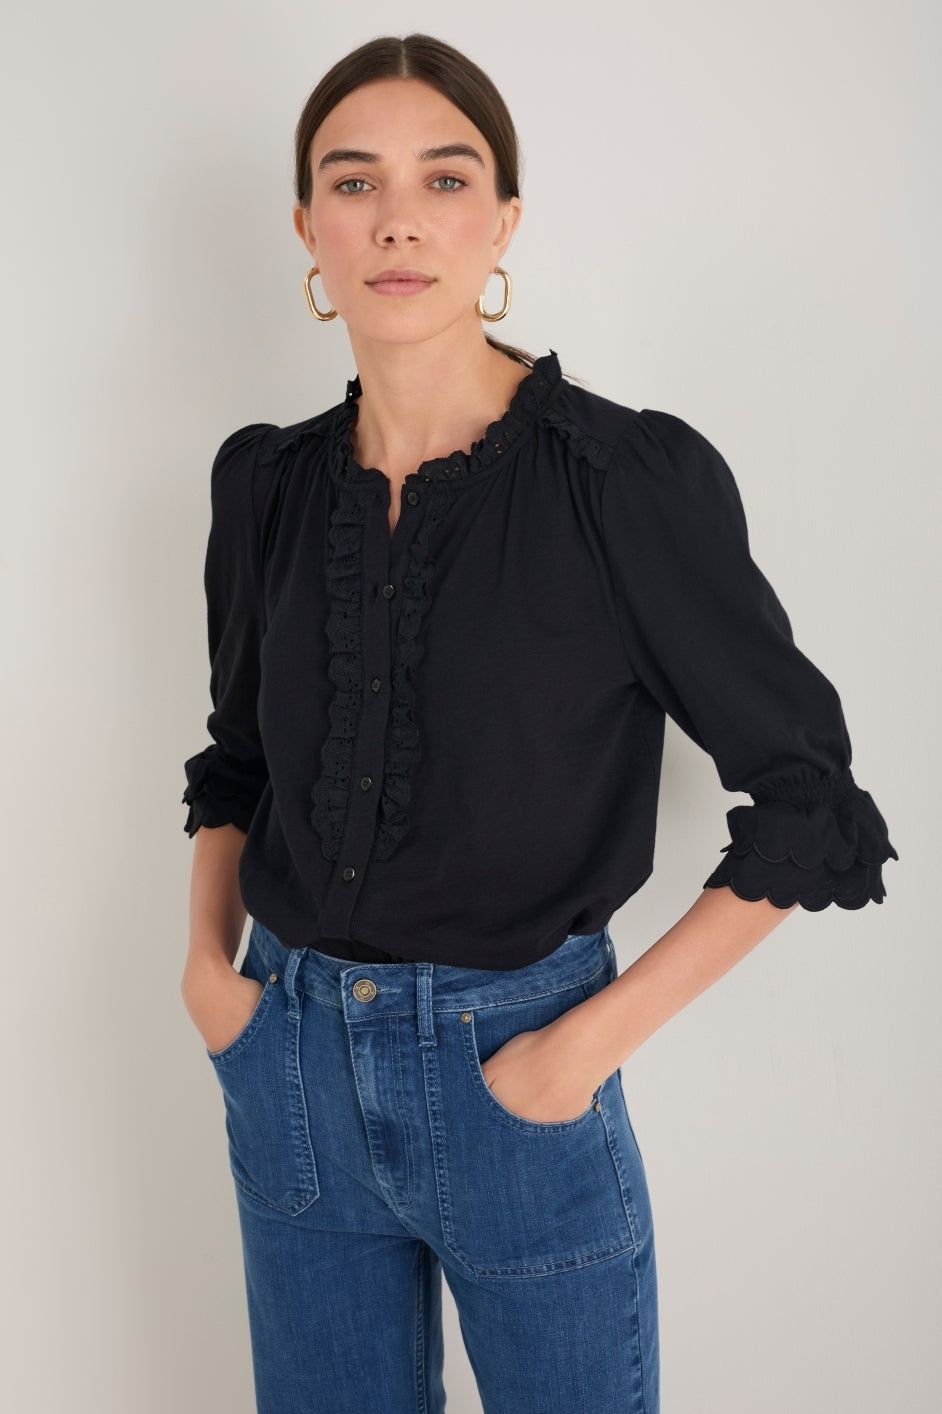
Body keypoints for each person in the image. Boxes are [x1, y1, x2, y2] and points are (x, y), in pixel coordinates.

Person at [179, 32, 898, 1414]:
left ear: (503, 220)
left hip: (519, 1074)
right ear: (307, 228)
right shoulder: (264, 484)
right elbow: (239, 759)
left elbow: (810, 806)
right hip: (288, 1065)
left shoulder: (620, 480)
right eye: (353, 182)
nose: (397, 220)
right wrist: (212, 978)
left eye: (445, 179)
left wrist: (576, 1052)